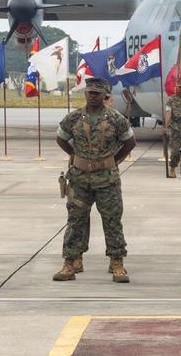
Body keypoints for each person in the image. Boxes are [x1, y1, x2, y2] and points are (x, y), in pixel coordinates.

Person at [53, 77, 137, 283]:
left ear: (105, 95)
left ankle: (117, 263)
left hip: (107, 180)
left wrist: (114, 160)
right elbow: (61, 137)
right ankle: (71, 262)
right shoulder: (74, 117)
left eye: (97, 93)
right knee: (75, 220)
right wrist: (74, 155)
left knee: (112, 220)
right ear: (85, 94)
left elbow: (130, 142)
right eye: (89, 92)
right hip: (79, 180)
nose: (92, 96)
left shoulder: (115, 118)